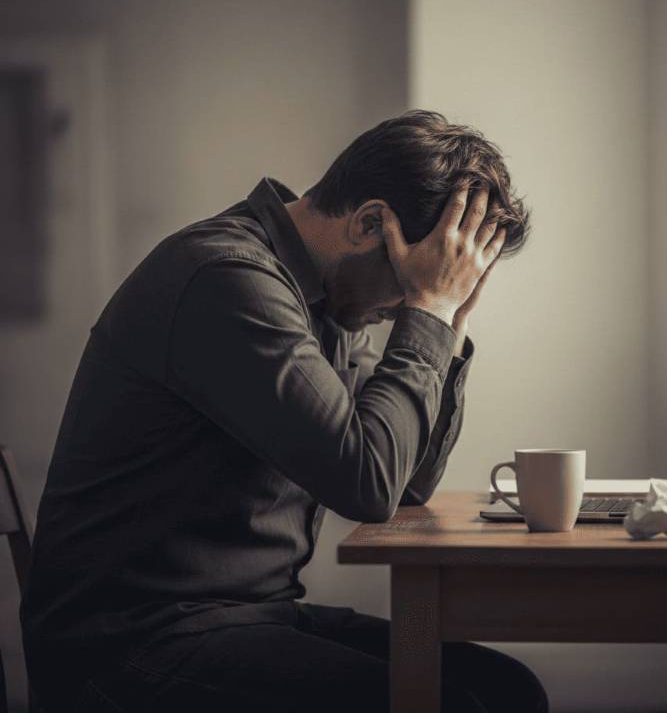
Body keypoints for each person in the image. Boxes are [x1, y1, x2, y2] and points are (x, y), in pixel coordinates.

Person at [21, 110, 547, 712]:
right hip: (130, 645)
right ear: (370, 222)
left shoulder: (323, 297)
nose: (401, 307)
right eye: (410, 284)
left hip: (245, 619)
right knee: (451, 707)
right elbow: (367, 483)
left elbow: (405, 483)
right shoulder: (228, 280)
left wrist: (446, 328)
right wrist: (425, 316)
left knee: (506, 691)